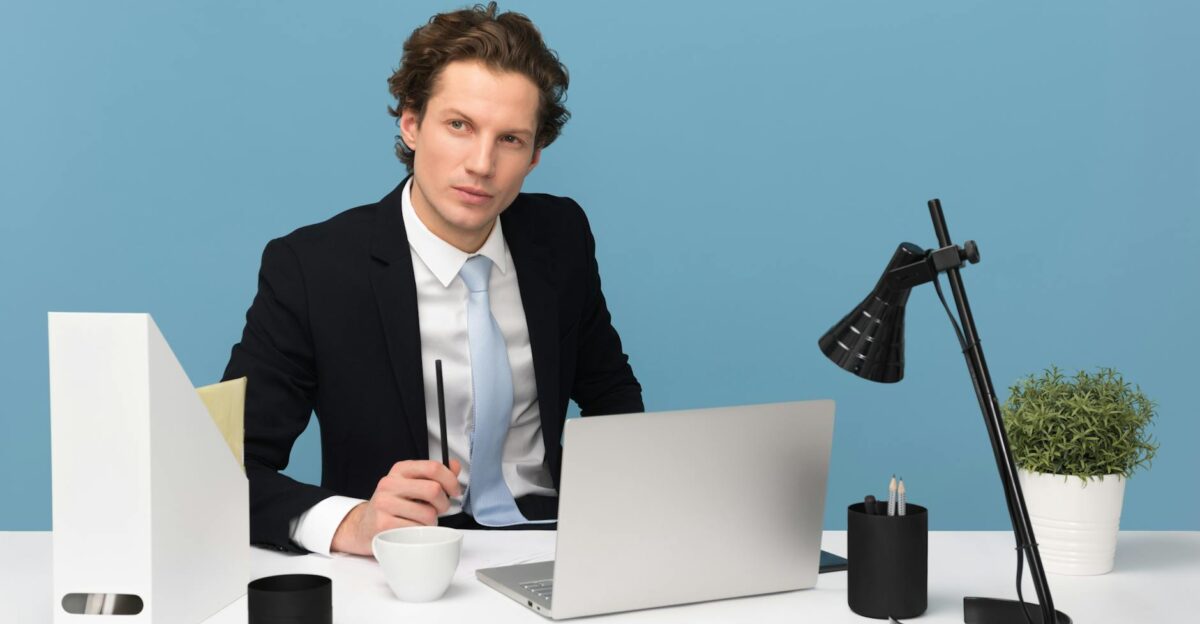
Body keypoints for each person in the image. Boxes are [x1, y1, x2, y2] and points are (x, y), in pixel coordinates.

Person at [222, 2, 643, 556]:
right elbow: (226, 469)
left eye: (511, 139)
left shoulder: (560, 236)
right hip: (400, 561)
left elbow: (611, 393)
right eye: (459, 126)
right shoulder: (311, 268)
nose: (481, 164)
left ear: (536, 156)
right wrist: (352, 523)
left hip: (555, 544)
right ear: (412, 124)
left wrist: (627, 512)